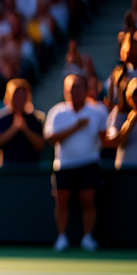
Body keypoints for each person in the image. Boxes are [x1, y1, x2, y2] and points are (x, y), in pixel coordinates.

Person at [44, 74, 109, 252]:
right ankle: (62, 237)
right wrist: (75, 127)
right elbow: (50, 138)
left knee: (87, 201)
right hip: (64, 165)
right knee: (61, 203)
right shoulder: (57, 112)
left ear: (86, 89)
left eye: (79, 87)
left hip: (89, 164)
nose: (75, 91)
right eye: (72, 88)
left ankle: (88, 237)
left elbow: (105, 139)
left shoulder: (97, 111)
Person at [0, 78, 46, 168]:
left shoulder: (36, 118)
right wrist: (14, 128)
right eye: (16, 96)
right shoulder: (0, 118)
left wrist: (25, 128)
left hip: (31, 170)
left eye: (23, 96)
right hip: (8, 170)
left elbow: (40, 145)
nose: (19, 99)